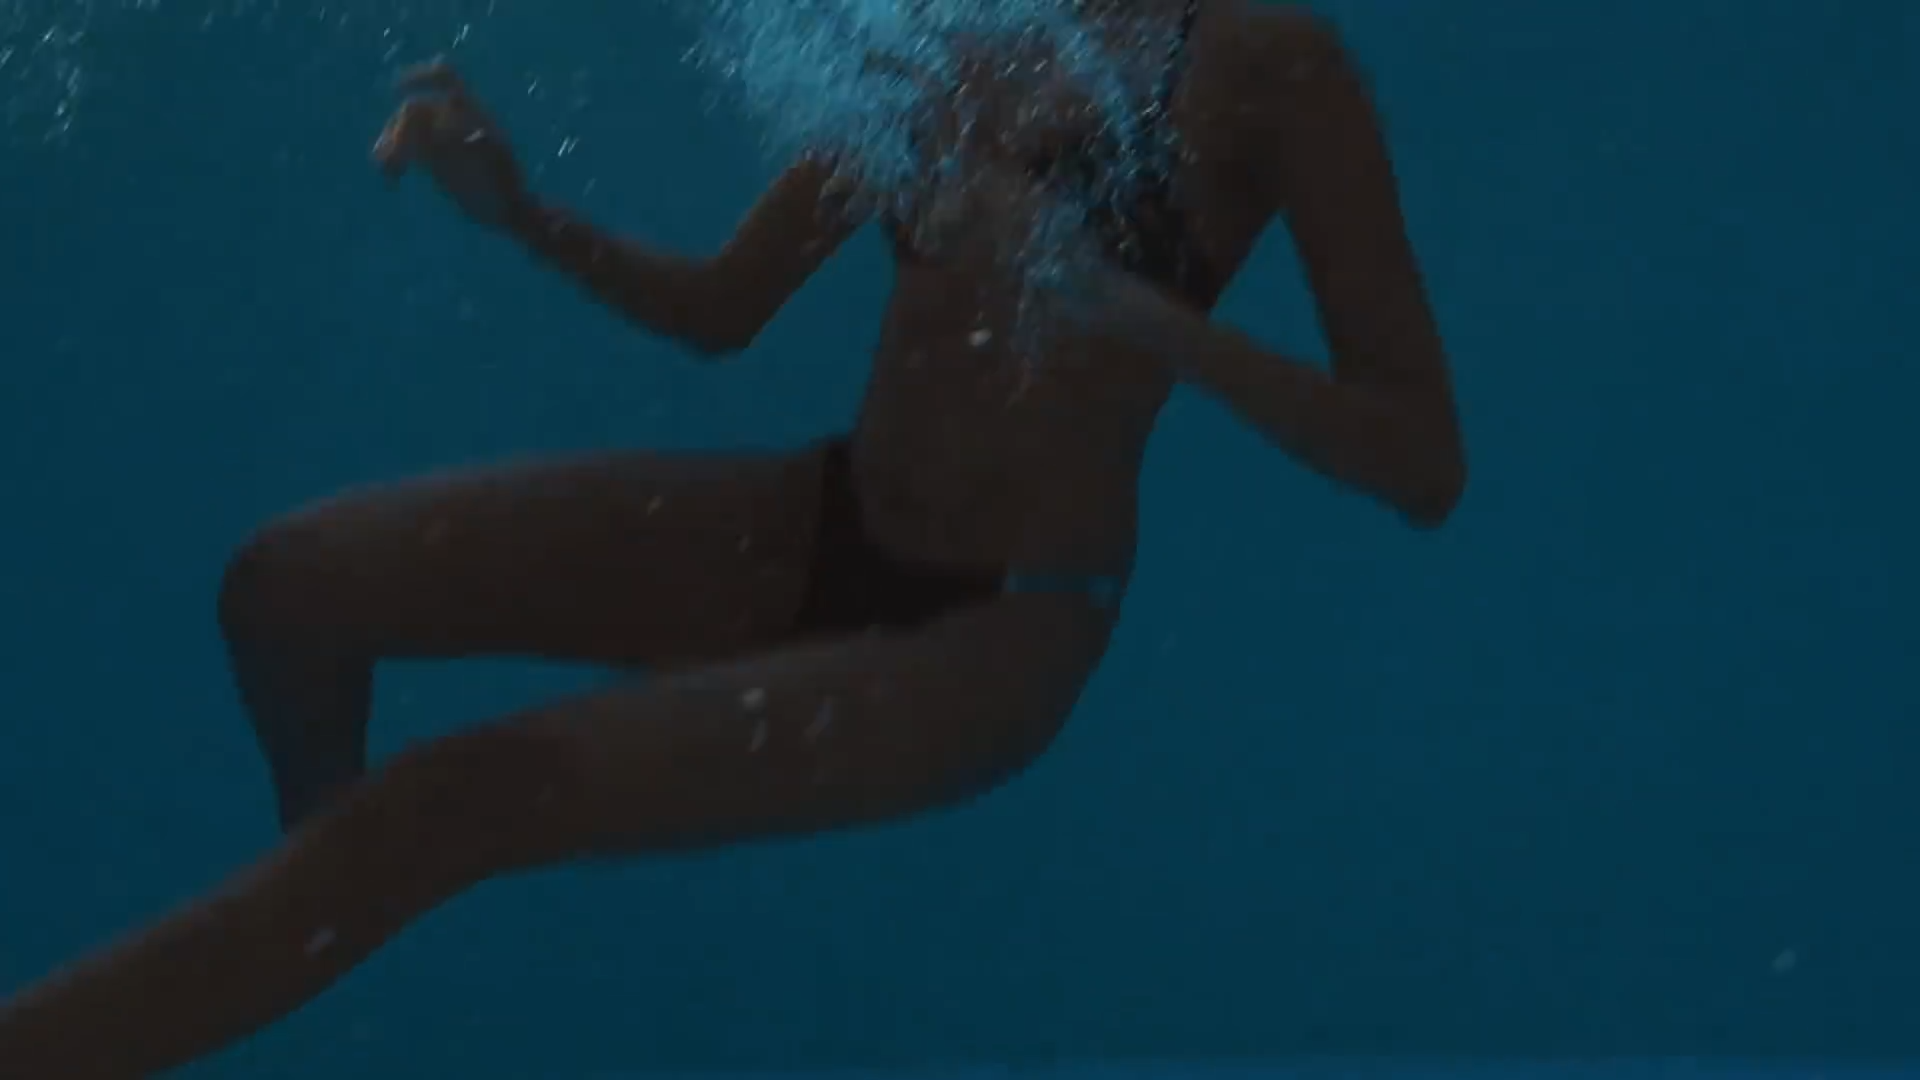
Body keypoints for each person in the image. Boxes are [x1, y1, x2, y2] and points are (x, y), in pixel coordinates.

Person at [0, 0, 1464, 1073]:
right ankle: (322, 908)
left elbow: (1419, 460)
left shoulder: (1269, 63)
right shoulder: (953, 38)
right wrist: (520, 213)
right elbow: (721, 307)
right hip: (818, 518)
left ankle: (328, 902)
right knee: (285, 587)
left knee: (450, 804)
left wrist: (1119, 303)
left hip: (1005, 623)